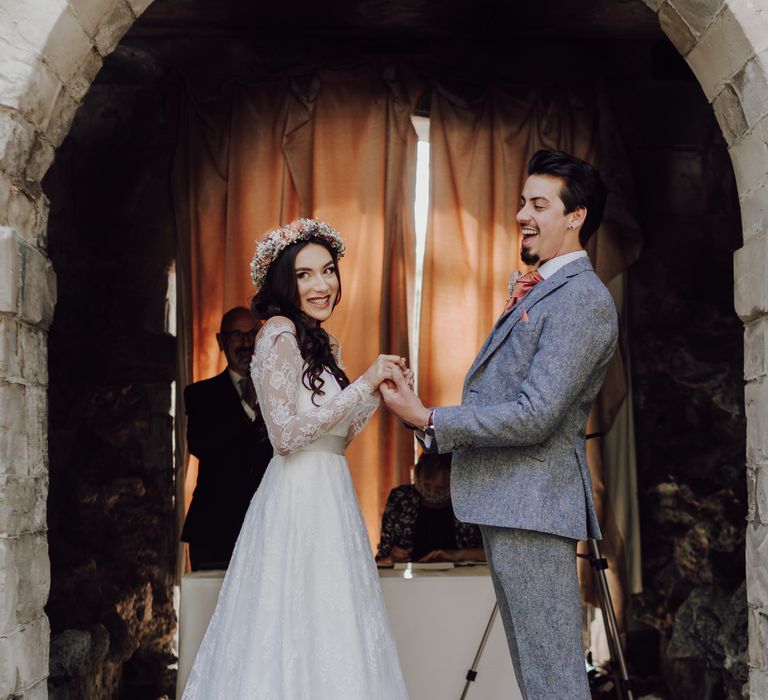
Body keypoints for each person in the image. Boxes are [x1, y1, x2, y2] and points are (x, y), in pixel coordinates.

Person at [380, 150, 618, 699]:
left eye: (539, 204)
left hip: (533, 507)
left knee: (553, 678)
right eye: (521, 203)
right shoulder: (546, 289)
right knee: (537, 676)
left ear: (575, 216)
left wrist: (428, 417)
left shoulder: (583, 299)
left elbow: (535, 414)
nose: (522, 215)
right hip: (514, 503)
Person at [182, 219, 410, 699]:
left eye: (327, 271)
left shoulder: (322, 342)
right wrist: (364, 383)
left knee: (333, 622)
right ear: (284, 283)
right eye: (305, 275)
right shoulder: (278, 334)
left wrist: (378, 392)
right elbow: (285, 436)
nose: (321, 284)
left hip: (330, 489)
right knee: (293, 623)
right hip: (298, 494)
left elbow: (336, 434)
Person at [181, 306, 271, 570]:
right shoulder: (200, 394)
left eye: (252, 335)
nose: (246, 343)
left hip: (267, 527)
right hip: (214, 530)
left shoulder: (279, 391)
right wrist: (247, 407)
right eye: (236, 335)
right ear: (221, 341)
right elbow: (201, 444)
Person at [376, 452, 484, 563]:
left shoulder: (470, 501)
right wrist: (393, 557)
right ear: (418, 473)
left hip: (465, 578)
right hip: (410, 578)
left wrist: (456, 555)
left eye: (440, 489)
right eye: (426, 485)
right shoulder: (401, 498)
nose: (431, 493)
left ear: (454, 482)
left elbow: (491, 553)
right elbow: (381, 561)